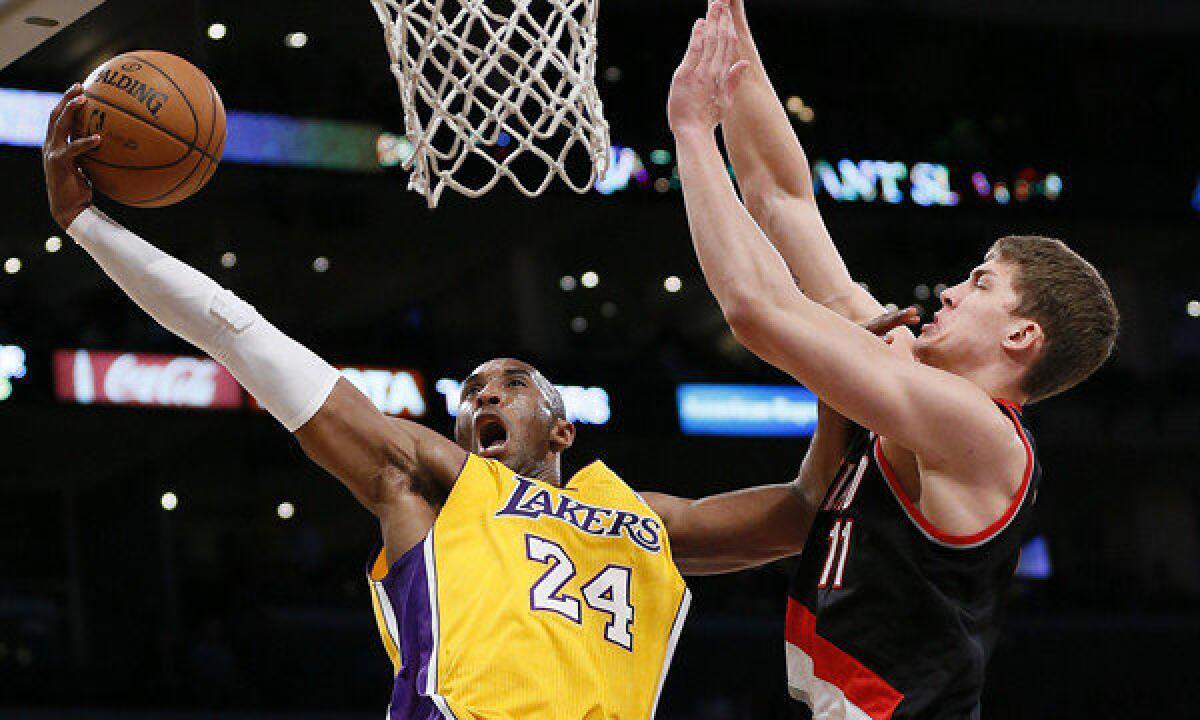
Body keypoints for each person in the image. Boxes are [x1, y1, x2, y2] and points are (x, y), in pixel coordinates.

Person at [42, 82, 914, 719]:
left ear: (563, 425)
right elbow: (243, 336)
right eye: (469, 392)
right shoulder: (432, 485)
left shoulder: (644, 520)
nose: (479, 398)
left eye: (508, 385)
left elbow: (806, 513)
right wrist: (93, 230)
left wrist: (848, 376)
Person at [667, 3, 1119, 719]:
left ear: (1021, 338)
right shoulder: (913, 391)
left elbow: (758, 308)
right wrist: (733, 37)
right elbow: (782, 201)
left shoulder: (978, 431)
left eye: (980, 283)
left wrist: (692, 132)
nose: (948, 290)